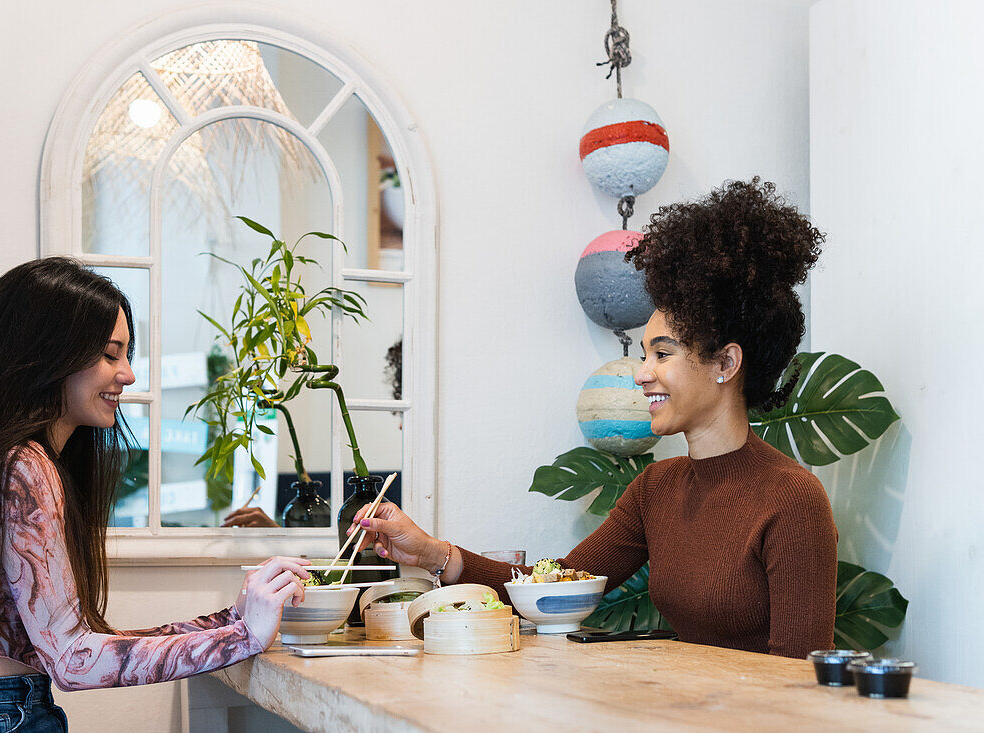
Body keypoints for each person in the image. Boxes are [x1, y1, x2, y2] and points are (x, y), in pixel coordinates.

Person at [349, 179, 838, 659]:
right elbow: (557, 586)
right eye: (645, 354)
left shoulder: (792, 499)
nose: (642, 374)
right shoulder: (657, 488)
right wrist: (435, 554)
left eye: (662, 354)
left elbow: (799, 683)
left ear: (726, 364)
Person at [0, 258, 311, 731]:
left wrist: (229, 621)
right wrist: (241, 638)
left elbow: (80, 642)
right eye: (111, 354)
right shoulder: (23, 467)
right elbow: (75, 661)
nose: (129, 374)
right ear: (49, 354)